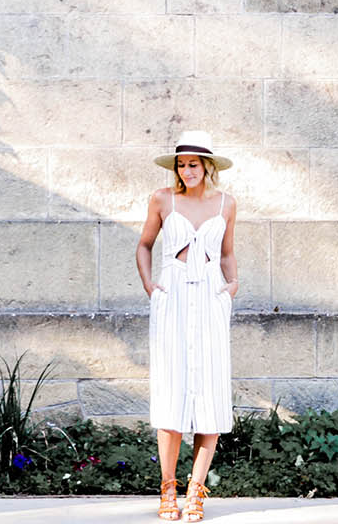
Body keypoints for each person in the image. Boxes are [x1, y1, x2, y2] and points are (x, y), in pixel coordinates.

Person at [137, 130, 237, 522]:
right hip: (173, 295)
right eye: (181, 164)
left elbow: (227, 253)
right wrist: (151, 285)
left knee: (209, 393)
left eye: (193, 164)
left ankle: (196, 491)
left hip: (211, 297)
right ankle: (168, 490)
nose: (186, 170)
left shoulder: (227, 203)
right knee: (172, 392)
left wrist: (231, 287)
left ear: (207, 166)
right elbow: (144, 245)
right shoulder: (163, 199)